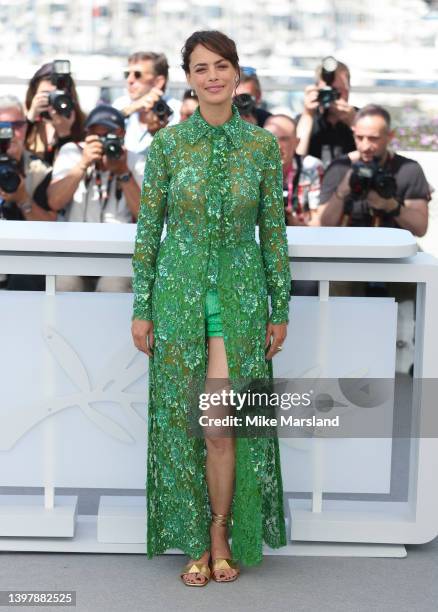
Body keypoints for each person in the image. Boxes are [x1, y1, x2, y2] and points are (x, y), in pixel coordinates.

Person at [131, 30, 291, 586]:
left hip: (242, 300)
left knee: (221, 427)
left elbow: (273, 233)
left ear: (238, 73)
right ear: (190, 79)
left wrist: (280, 306)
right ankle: (194, 536)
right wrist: (142, 306)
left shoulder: (262, 146)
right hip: (178, 297)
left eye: (221, 66)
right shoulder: (170, 147)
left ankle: (221, 531)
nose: (213, 76)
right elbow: (149, 233)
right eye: (201, 69)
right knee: (184, 425)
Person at [319, 104, 430, 299]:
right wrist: (343, 189)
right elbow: (324, 224)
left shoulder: (408, 170)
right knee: (335, 283)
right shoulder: (340, 167)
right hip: (348, 257)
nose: (365, 146)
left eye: (373, 138)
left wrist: (390, 206)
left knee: (416, 286)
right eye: (359, 137)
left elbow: (420, 227)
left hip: (396, 259)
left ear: (390, 136)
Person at [48, 104, 143, 292]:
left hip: (118, 256)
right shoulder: (72, 151)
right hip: (75, 252)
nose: (103, 141)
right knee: (64, 283)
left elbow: (147, 214)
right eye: (96, 135)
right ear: (86, 134)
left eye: (108, 135)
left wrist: (123, 172)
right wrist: (82, 165)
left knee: (114, 286)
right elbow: (54, 201)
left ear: (122, 134)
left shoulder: (135, 160)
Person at [0, 95, 56, 291]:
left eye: (17, 125)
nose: (11, 133)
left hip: (26, 260)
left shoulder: (40, 170)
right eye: (3, 125)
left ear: (26, 126)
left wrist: (24, 198)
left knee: (25, 279)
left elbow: (50, 231)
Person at [113, 51, 180, 155]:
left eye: (137, 74)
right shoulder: (121, 104)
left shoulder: (178, 110)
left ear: (158, 82)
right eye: (127, 74)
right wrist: (130, 109)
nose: (130, 80)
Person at [264, 114, 324, 227]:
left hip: (302, 239)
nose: (277, 146)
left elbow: (318, 223)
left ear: (296, 142)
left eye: (284, 139)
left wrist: (294, 223)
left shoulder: (311, 167)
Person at [296, 58, 357, 168]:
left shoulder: (363, 119)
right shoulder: (304, 120)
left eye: (338, 91)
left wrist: (355, 124)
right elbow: (296, 162)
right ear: (317, 90)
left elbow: (375, 156)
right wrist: (308, 115)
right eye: (328, 92)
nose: (332, 97)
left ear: (348, 89)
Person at [25, 61, 86, 166]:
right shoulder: (23, 122)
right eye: (46, 95)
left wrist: (65, 134)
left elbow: (71, 170)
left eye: (59, 96)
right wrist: (30, 120)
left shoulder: (84, 125)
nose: (54, 101)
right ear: (34, 95)